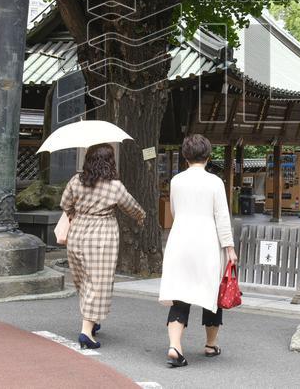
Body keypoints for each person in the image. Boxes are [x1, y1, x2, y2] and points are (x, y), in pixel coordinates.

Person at [158, 134, 237, 368]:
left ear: (185, 156)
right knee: (210, 293)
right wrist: (229, 247)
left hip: (179, 239)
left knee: (180, 294)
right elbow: (222, 217)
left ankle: (174, 345)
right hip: (207, 241)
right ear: (208, 156)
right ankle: (210, 344)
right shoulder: (215, 182)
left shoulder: (176, 181)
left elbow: (173, 210)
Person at [60, 143, 146, 349]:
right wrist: (141, 217)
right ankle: (86, 332)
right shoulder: (114, 186)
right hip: (102, 236)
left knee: (82, 279)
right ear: (109, 162)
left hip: (77, 233)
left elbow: (65, 204)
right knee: (98, 282)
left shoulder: (76, 180)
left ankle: (92, 320)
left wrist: (77, 213)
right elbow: (131, 207)